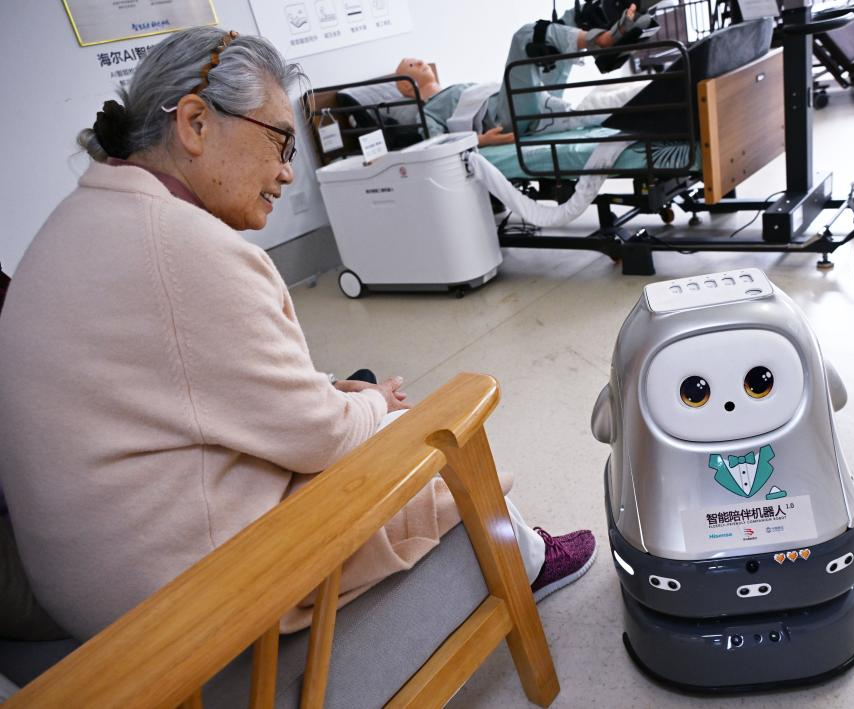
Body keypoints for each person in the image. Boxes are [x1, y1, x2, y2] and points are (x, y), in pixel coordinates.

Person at [0, 27, 595, 642]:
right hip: (174, 607)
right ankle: (525, 560)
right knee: (418, 433)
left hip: (84, 580)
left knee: (352, 393)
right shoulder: (186, 248)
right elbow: (324, 437)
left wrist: (337, 395)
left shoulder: (77, 218)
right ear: (196, 124)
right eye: (281, 141)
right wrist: (367, 405)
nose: (288, 174)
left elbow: (188, 380)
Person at [391, 2, 649, 143]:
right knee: (525, 37)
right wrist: (481, 141)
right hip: (505, 116)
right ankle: (604, 41)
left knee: (571, 19)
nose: (420, 61)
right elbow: (436, 145)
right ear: (404, 86)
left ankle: (624, 17)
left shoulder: (455, 87)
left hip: (523, 101)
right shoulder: (427, 112)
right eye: (410, 65)